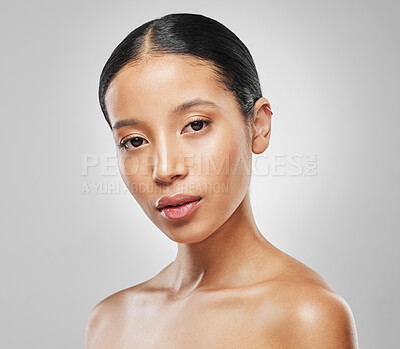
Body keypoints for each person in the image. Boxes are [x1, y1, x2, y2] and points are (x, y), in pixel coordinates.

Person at [85, 13, 359, 348]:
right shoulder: (109, 322)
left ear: (258, 126)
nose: (165, 169)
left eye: (196, 125)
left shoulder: (305, 315)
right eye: (134, 141)